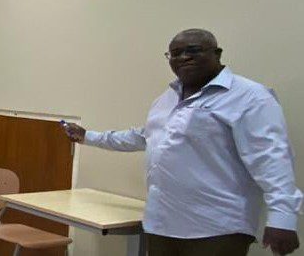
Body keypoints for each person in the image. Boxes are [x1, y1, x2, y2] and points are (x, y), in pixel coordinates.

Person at [63, 29, 302, 256]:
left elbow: (271, 158)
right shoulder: (167, 98)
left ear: (217, 54)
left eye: (193, 50)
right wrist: (88, 136)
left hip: (217, 229)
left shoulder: (250, 97)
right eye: (175, 53)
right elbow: (145, 136)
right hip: (161, 224)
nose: (184, 57)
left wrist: (283, 218)